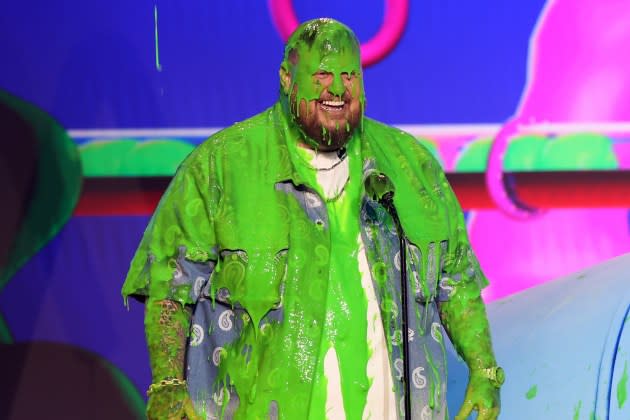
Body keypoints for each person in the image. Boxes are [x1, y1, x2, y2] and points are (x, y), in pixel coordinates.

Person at [122, 18, 503, 420]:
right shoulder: (219, 168)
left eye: (349, 76)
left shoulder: (410, 168)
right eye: (322, 75)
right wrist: (167, 382)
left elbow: (456, 284)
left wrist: (484, 369)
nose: (337, 89)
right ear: (287, 79)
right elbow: (169, 285)